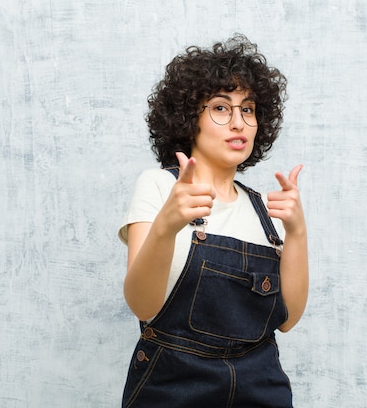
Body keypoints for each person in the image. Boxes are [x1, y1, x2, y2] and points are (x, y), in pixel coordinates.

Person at [118, 34, 309, 408]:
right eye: (221, 108)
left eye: (248, 109)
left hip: (261, 390)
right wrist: (166, 227)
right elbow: (142, 305)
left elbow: (287, 320)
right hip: (173, 388)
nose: (239, 122)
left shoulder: (263, 210)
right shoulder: (159, 185)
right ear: (190, 118)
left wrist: (297, 233)